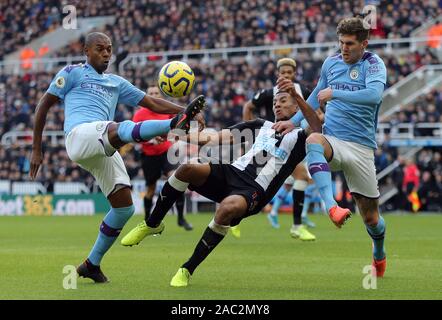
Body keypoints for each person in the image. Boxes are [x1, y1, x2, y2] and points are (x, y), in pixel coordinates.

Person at [29, 32, 205, 283]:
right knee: (118, 127)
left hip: (102, 146)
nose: (106, 53)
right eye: (100, 48)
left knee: (124, 207)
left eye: (109, 49)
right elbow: (43, 105)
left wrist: (186, 110)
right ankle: (172, 124)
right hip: (80, 136)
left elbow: (152, 102)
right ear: (86, 51)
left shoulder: (116, 82)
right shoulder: (71, 73)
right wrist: (37, 147)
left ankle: (91, 264)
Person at [121, 77, 322, 287]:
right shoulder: (260, 126)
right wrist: (175, 134)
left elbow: (316, 126)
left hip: (254, 190)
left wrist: (298, 96)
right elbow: (214, 138)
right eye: (274, 102)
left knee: (227, 208)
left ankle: (186, 269)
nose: (277, 104)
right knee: (188, 168)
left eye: (283, 100)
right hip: (232, 172)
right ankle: (152, 224)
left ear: (296, 105)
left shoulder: (301, 136)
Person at [273, 17, 387, 277]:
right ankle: (331, 207)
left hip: (360, 148)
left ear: (364, 43)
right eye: (341, 43)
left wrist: (336, 93)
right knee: (313, 141)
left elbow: (373, 96)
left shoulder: (373, 64)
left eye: (349, 44)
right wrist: (292, 122)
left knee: (371, 219)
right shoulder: (331, 63)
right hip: (333, 139)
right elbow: (316, 96)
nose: (344, 48)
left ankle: (379, 252)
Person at [243, 57, 316, 241]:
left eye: (289, 73)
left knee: (300, 178)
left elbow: (314, 109)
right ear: (278, 74)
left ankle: (295, 224)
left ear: (294, 74)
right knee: (256, 184)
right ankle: (293, 223)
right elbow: (248, 107)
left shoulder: (301, 91)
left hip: (295, 139)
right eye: (283, 73)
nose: (286, 75)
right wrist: (248, 134)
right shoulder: (269, 93)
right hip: (272, 140)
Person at [133, 85, 192, 231]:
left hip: (167, 153)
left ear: (161, 95)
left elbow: (177, 128)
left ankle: (181, 218)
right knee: (150, 189)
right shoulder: (140, 114)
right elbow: (134, 135)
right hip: (149, 156)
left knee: (177, 179)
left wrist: (171, 136)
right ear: (147, 96)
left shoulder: (167, 111)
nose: (154, 95)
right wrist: (151, 139)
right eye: (151, 93)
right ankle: (147, 221)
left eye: (156, 93)